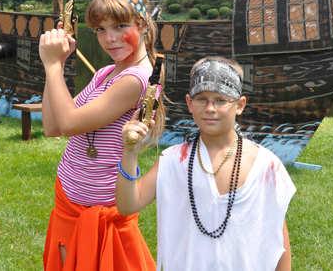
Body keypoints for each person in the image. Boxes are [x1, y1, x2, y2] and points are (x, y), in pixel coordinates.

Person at [116, 57, 296, 271]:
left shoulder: (267, 166)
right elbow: (128, 205)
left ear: (240, 105)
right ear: (189, 103)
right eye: (202, 99)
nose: (210, 108)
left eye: (221, 100)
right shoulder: (172, 161)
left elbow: (276, 237)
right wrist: (130, 151)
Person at [39, 0, 163, 271]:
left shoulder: (136, 80)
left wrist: (52, 66)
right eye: (100, 29)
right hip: (70, 199)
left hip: (100, 211)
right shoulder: (108, 72)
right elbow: (53, 126)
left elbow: (68, 123)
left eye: (120, 26)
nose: (110, 38)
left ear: (142, 24)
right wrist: (57, 64)